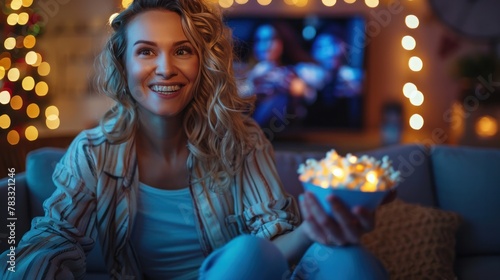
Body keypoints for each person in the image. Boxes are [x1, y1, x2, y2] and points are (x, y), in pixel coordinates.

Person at [0, 0, 391, 279]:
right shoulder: (93, 152)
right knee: (248, 250)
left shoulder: (243, 141)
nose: (166, 68)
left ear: (202, 64)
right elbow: (53, 241)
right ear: (124, 65)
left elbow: (272, 242)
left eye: (183, 50)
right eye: (146, 51)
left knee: (347, 259)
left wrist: (316, 230)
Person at [240, 22, 315, 133]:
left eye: (271, 39)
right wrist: (252, 83)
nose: (265, 45)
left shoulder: (293, 72)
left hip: (289, 135)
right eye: (259, 40)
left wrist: (294, 88)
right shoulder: (244, 72)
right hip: (250, 135)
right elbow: (231, 102)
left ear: (282, 43)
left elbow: (311, 96)